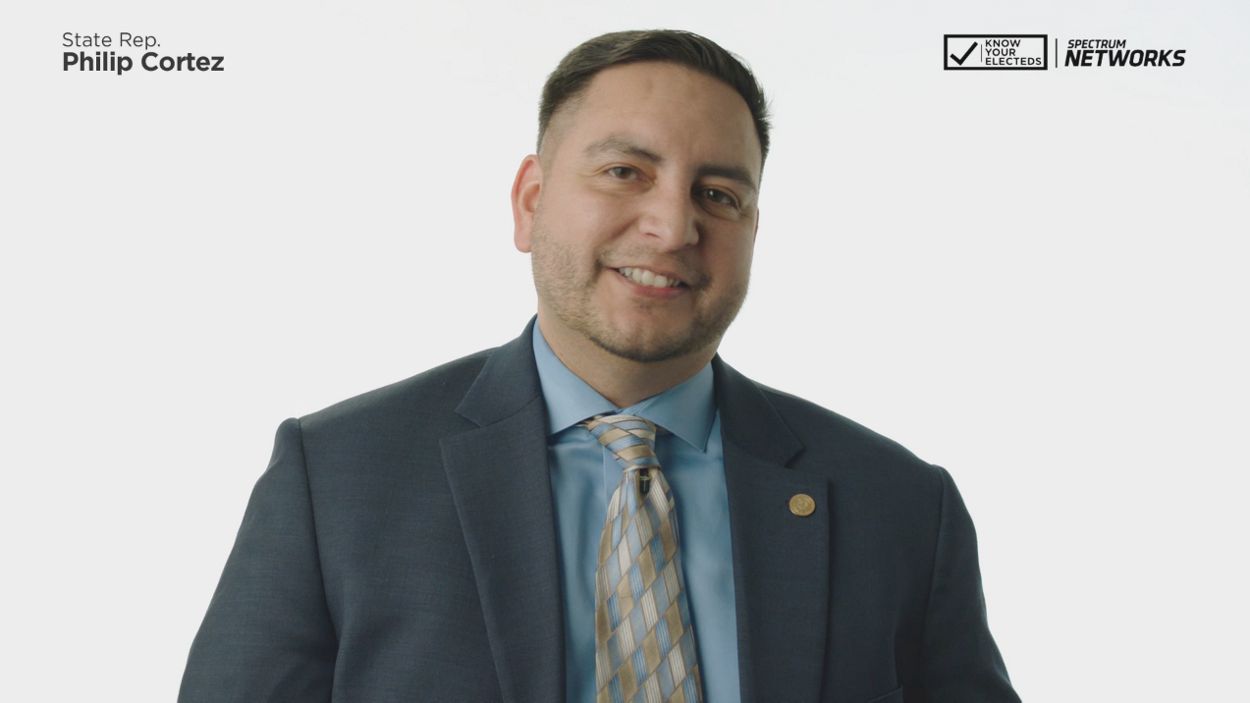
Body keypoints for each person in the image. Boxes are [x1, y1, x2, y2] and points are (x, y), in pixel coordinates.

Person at [179, 29, 1020, 703]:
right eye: (625, 172)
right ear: (531, 201)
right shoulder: (336, 479)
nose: (672, 226)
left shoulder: (902, 507)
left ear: (754, 231)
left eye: (718, 194)